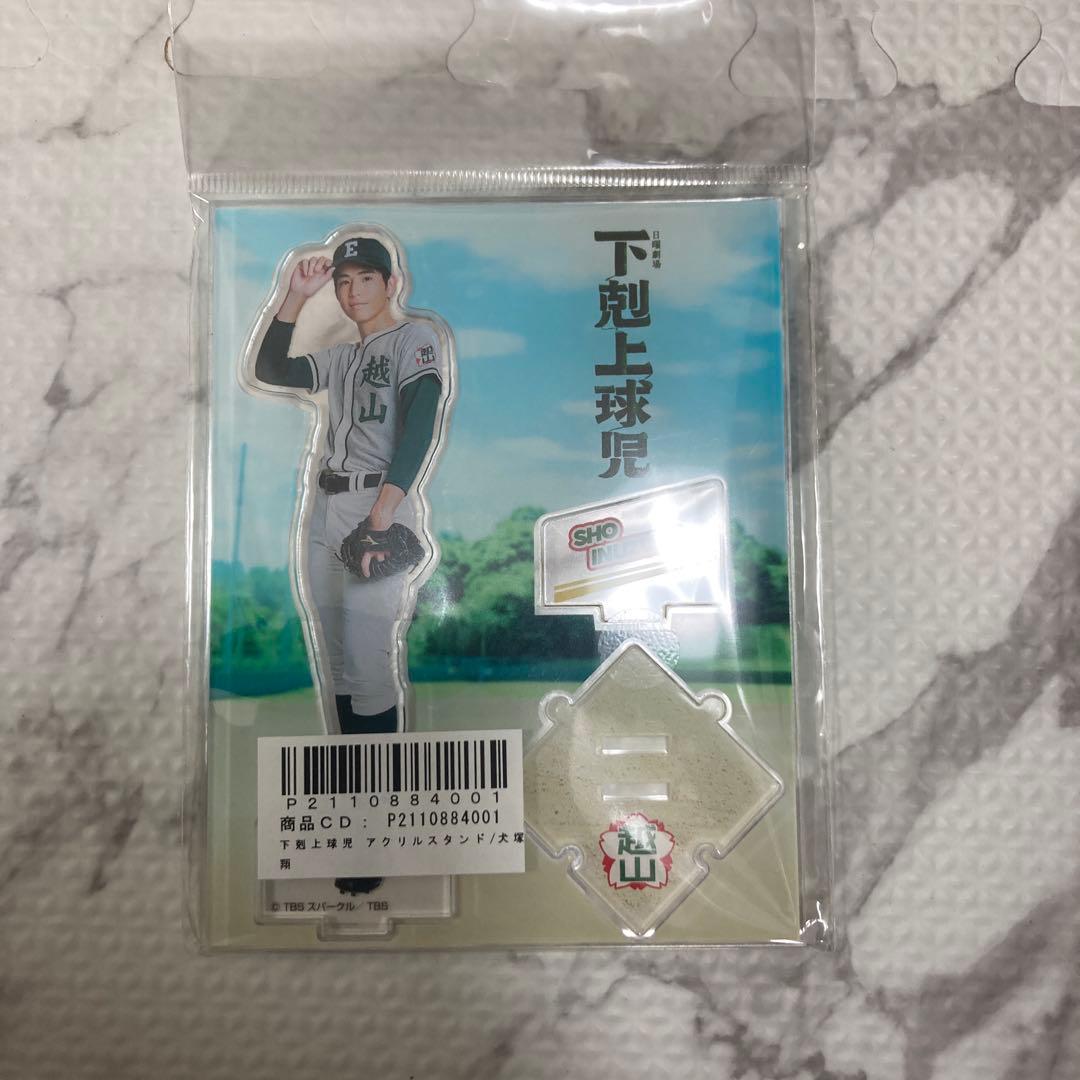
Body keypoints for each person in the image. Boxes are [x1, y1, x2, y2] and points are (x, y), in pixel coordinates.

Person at [253, 235, 448, 736]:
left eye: (366, 278)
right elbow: (269, 369)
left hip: (377, 501)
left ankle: (382, 776)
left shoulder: (415, 339)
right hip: (325, 508)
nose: (353, 291)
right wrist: (295, 295)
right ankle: (350, 770)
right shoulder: (341, 357)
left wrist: (382, 514)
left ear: (391, 283)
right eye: (343, 282)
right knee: (337, 660)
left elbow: (420, 426)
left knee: (367, 661)